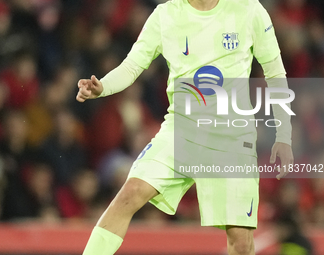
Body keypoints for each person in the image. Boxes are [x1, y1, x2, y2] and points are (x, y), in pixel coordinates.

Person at [76, 0, 294, 254]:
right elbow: (132, 65)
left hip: (232, 139)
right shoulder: (166, 15)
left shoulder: (248, 9)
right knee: (130, 193)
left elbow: (275, 74)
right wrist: (103, 87)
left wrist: (284, 134)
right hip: (181, 131)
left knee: (241, 242)